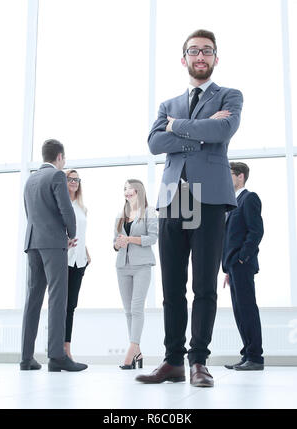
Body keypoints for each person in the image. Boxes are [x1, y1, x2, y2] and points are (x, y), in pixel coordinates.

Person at [136, 29, 243, 387]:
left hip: (209, 196)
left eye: (207, 51)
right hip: (174, 195)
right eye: (194, 51)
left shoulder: (229, 95)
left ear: (216, 58)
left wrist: (178, 129)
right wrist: (200, 129)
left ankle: (198, 361)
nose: (201, 56)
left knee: (204, 286)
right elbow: (154, 142)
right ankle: (172, 361)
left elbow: (223, 131)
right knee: (172, 286)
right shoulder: (168, 103)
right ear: (183, 59)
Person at [20, 139, 88, 372]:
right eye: (64, 158)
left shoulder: (30, 179)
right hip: (53, 244)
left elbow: (30, 213)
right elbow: (65, 209)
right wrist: (70, 234)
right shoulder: (57, 176)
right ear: (59, 157)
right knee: (58, 298)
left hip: (33, 243)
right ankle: (57, 357)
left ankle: (26, 358)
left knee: (33, 300)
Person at [222, 162, 264, 370]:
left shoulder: (249, 198)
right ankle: (247, 353)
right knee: (239, 311)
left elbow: (256, 232)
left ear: (240, 177)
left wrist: (241, 259)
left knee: (247, 309)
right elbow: (229, 238)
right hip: (233, 267)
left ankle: (255, 357)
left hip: (243, 265)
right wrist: (228, 267)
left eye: (229, 174)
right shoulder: (232, 203)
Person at [113, 179, 158, 369]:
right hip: (122, 266)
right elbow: (115, 242)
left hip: (142, 265)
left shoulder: (149, 212)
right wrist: (118, 244)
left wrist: (130, 239)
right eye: (124, 188)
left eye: (130, 188)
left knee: (137, 308)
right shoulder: (120, 214)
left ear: (138, 191)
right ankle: (137, 351)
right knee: (128, 311)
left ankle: (131, 351)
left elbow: (153, 238)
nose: (127, 191)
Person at [64, 169, 91, 360]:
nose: (74, 182)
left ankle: (66, 348)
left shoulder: (82, 207)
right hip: (64, 260)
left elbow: (80, 233)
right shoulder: (61, 204)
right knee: (61, 306)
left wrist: (87, 253)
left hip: (79, 262)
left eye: (77, 179)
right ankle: (58, 348)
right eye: (70, 179)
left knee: (71, 306)